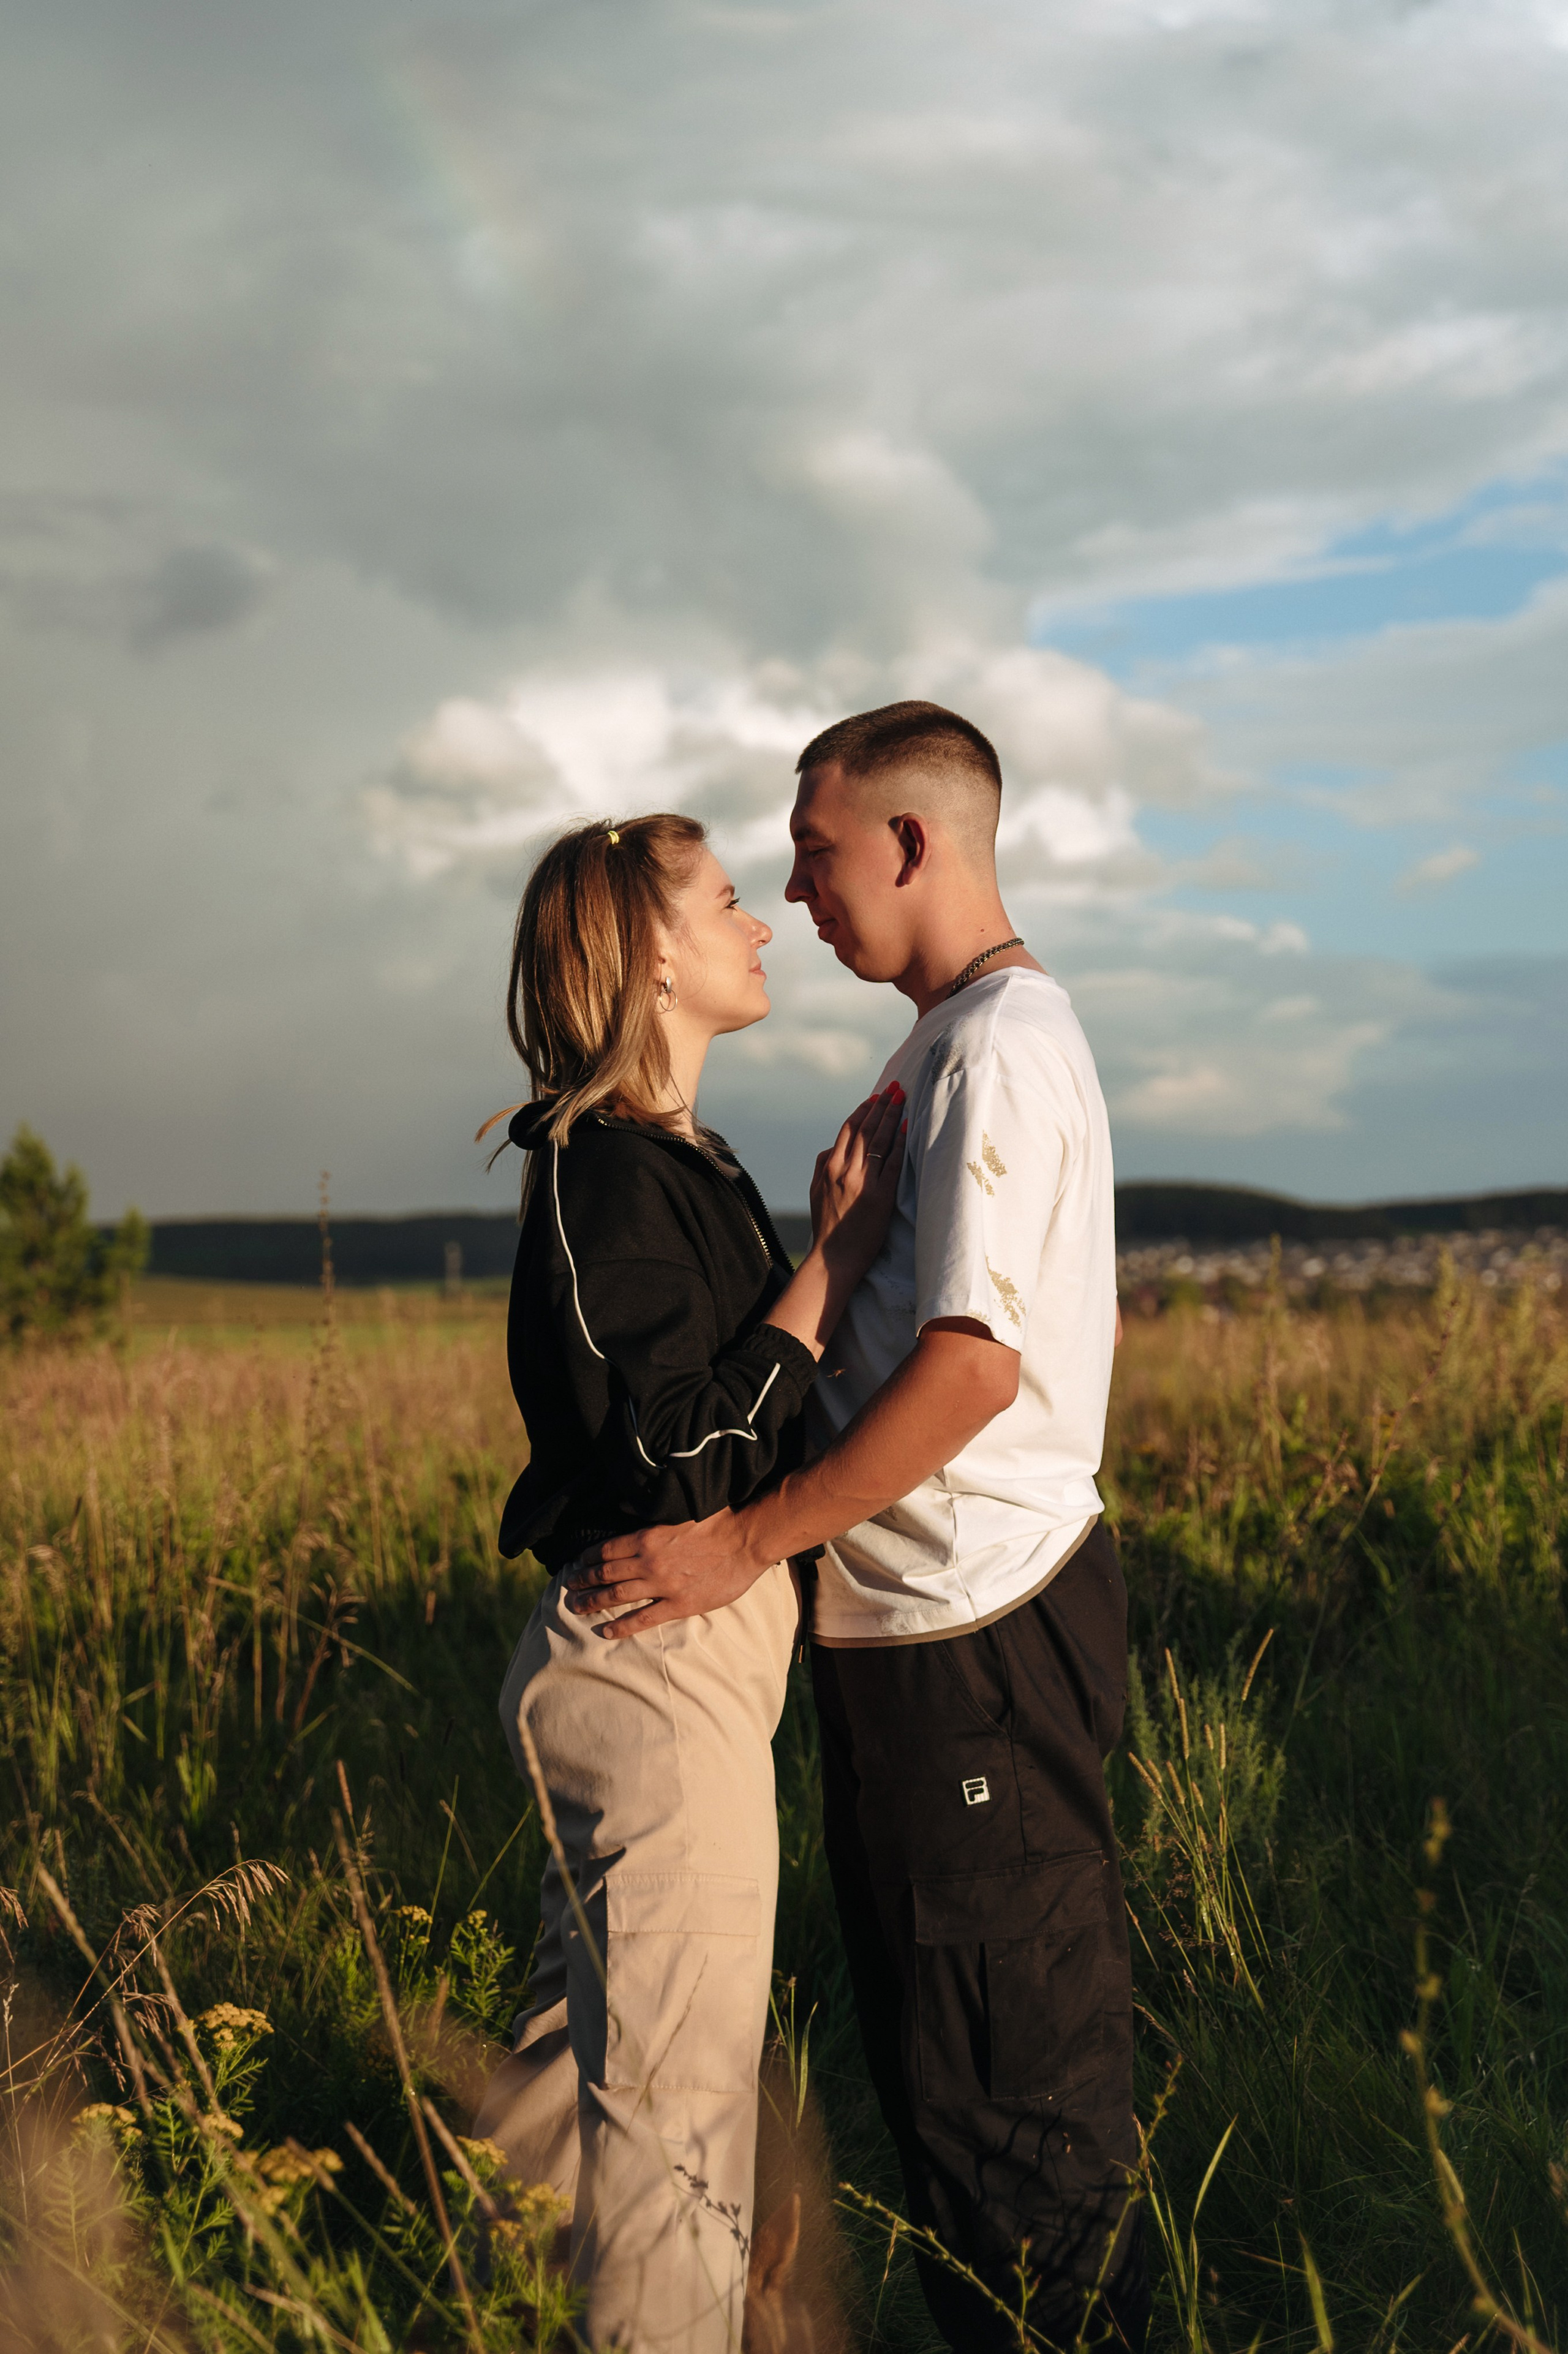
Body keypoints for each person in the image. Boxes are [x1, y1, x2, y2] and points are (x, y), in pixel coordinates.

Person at [566, 707, 1150, 2352]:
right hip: (922, 1657)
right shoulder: (948, 1042)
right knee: (956, 2118)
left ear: (914, 841)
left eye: (816, 853)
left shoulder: (997, 1049)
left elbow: (971, 1369)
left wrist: (742, 1542)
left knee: (1017, 2130)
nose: (802, 894)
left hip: (973, 1648)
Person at [473, 812, 904, 2354]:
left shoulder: (680, 1166)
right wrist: (834, 1262)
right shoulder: (601, 1169)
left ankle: (487, 2322)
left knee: (557, 2087)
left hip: (672, 1653)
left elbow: (739, 1405)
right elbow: (674, 1447)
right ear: (656, 949)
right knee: (672, 2120)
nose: (761, 923)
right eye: (728, 901)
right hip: (655, 1661)